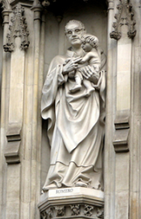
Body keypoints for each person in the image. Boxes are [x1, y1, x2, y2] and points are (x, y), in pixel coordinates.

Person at [41, 20, 106, 191]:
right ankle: (59, 178)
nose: (74, 34)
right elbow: (46, 90)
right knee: (62, 142)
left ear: (84, 31)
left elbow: (106, 83)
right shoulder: (58, 60)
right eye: (69, 32)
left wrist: (93, 78)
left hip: (89, 104)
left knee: (87, 139)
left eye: (77, 30)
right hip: (64, 109)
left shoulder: (97, 57)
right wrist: (63, 70)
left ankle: (84, 177)